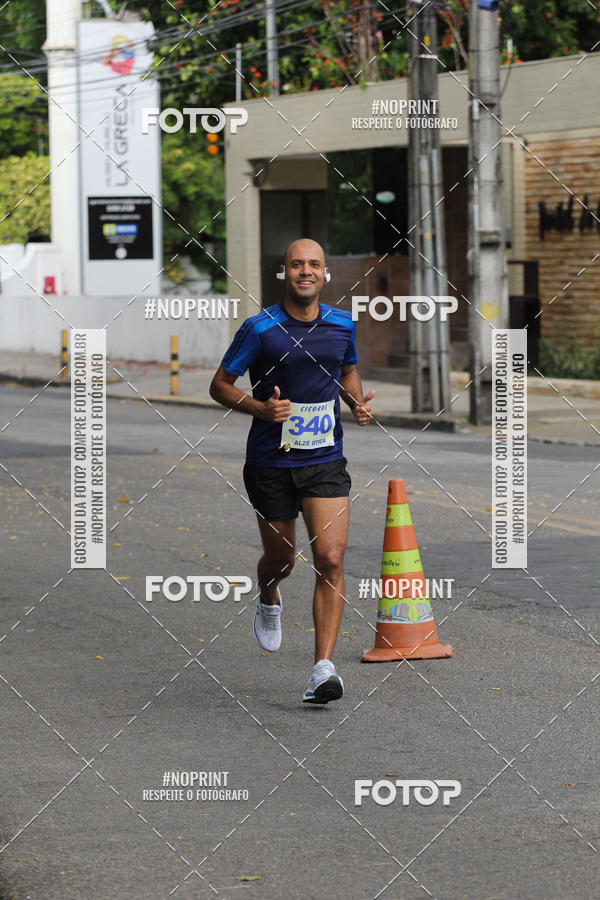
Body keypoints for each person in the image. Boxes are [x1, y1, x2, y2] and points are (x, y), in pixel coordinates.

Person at [209, 238, 374, 703]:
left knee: (331, 559)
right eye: (297, 264)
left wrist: (356, 401)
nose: (306, 271)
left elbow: (345, 371)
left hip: (324, 460)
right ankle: (268, 594)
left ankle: (322, 669)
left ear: (326, 274)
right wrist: (260, 408)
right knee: (282, 560)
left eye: (315, 264)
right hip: (270, 462)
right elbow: (220, 385)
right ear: (284, 272)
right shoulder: (260, 328)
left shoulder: (342, 324)